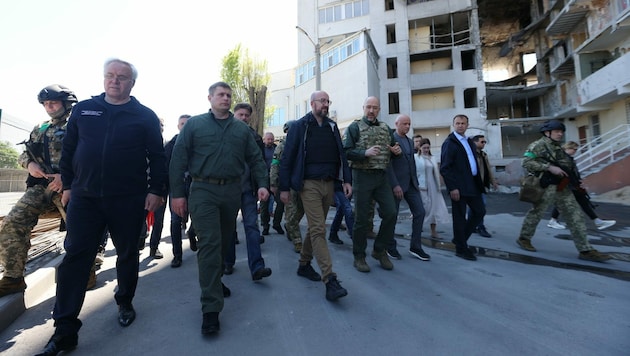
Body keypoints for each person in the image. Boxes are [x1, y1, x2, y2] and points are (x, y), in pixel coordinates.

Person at [36, 58, 168, 356]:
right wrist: (69, 186)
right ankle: (65, 328)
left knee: (126, 252)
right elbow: (69, 149)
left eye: (122, 77)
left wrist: (156, 191)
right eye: (110, 75)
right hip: (85, 198)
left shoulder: (144, 116)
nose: (115, 81)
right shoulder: (84, 110)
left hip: (128, 198)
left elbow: (157, 158)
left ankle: (124, 300)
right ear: (104, 78)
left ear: (132, 83)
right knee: (76, 258)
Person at [170, 82, 269, 335]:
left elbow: (256, 158)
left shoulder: (241, 130)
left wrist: (263, 184)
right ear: (210, 98)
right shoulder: (195, 125)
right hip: (203, 190)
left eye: (228, 95)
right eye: (220, 95)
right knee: (211, 244)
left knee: (224, 242)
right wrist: (177, 195)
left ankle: (214, 282)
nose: (225, 98)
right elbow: (178, 158)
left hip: (231, 192)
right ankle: (211, 309)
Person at [0, 84, 82, 299]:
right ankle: (13, 277)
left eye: (53, 102)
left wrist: (67, 178)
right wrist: (29, 165)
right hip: (43, 187)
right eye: (46, 103)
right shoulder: (41, 128)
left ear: (66, 104)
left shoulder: (80, 124)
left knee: (80, 231)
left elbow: (92, 156)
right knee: (13, 222)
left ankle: (85, 272)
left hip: (73, 187)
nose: (49, 107)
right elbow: (24, 153)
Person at [279, 91, 351, 302]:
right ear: (312, 104)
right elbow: (287, 158)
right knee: (319, 228)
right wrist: (284, 188)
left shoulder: (331, 126)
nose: (326, 104)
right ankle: (330, 279)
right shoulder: (300, 126)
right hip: (308, 184)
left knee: (314, 227)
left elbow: (341, 154)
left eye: (328, 101)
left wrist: (346, 180)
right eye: (322, 101)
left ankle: (303, 264)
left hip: (329, 183)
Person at [516, 120, 611, 262]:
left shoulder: (558, 148)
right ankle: (524, 238)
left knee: (575, 216)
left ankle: (585, 249)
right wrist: (548, 167)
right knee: (537, 213)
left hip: (563, 187)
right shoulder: (537, 146)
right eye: (557, 131)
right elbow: (526, 162)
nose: (560, 134)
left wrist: (576, 182)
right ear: (547, 133)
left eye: (561, 131)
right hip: (545, 186)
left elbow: (568, 167)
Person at [343, 96, 402, 272]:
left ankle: (379, 250)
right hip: (362, 176)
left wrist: (396, 150)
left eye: (375, 108)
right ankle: (359, 256)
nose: (371, 111)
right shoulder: (354, 127)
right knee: (361, 219)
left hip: (381, 176)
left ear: (379, 109)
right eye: (368, 107)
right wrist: (364, 153)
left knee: (391, 213)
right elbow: (346, 151)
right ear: (363, 108)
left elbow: (393, 146)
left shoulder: (385, 128)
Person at [223, 103, 272, 281]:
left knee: (252, 227)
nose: (244, 118)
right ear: (234, 114)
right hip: (229, 190)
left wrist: (262, 185)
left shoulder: (255, 138)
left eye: (246, 115)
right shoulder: (225, 133)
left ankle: (257, 267)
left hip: (248, 191)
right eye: (240, 114)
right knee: (228, 228)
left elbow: (259, 164)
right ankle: (228, 262)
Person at [440, 114, 485, 261]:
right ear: (454, 125)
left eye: (463, 123)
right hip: (458, 187)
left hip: (472, 184)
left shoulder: (469, 142)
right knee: (459, 218)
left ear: (467, 125)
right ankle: (461, 249)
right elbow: (445, 168)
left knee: (479, 211)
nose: (460, 125)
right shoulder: (450, 143)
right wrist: (452, 188)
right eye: (457, 123)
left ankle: (460, 238)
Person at [386, 114, 430, 261]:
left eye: (409, 124)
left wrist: (416, 183)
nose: (407, 126)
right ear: (396, 124)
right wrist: (395, 185)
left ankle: (416, 247)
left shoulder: (410, 142)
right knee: (392, 216)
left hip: (411, 184)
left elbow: (411, 163)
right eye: (404, 123)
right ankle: (389, 246)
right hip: (397, 185)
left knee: (420, 212)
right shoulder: (391, 140)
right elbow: (388, 165)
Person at [546, 141, 616, 231]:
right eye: (573, 149)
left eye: (576, 149)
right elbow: (567, 174)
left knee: (583, 202)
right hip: (566, 185)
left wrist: (579, 182)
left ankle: (598, 221)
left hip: (572, 185)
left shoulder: (569, 158)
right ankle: (552, 221)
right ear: (567, 148)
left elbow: (574, 173)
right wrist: (576, 183)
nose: (575, 151)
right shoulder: (562, 158)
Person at [270, 121, 304, 253]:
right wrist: (273, 183)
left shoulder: (303, 144)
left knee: (301, 209)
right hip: (287, 184)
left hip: (301, 183)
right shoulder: (282, 146)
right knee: (291, 212)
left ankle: (290, 226)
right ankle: (297, 241)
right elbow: (275, 165)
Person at [164, 114, 191, 268]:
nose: (185, 126)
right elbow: (164, 166)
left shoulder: (199, 142)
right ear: (178, 126)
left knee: (199, 218)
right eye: (182, 123)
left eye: (188, 123)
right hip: (176, 187)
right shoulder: (171, 144)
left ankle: (193, 237)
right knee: (175, 220)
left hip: (195, 186)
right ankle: (177, 255)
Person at [415, 138, 450, 239]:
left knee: (434, 208)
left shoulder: (432, 158)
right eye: (424, 147)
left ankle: (433, 231)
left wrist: (440, 182)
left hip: (433, 186)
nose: (426, 149)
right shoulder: (416, 158)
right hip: (421, 186)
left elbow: (436, 172)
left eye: (427, 147)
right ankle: (418, 227)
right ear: (420, 148)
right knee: (423, 208)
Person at [470, 135, 498, 238]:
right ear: (475, 142)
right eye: (482, 142)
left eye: (484, 142)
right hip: (473, 185)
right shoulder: (470, 155)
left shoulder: (483, 155)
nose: (484, 144)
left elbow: (488, 169)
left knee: (476, 206)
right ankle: (479, 226)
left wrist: (493, 181)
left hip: (481, 185)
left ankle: (472, 225)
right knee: (480, 206)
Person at [147, 117, 167, 259]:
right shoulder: (140, 141)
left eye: (161, 125)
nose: (159, 127)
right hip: (140, 186)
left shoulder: (167, 144)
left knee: (158, 220)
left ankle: (154, 247)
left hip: (160, 188)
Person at [260, 132, 284, 235]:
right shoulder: (260, 149)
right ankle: (265, 226)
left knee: (280, 203)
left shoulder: (278, 149)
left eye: (271, 139)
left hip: (277, 180)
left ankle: (277, 224)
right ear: (264, 139)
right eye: (268, 139)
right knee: (264, 205)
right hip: (264, 180)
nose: (270, 141)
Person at [328, 179, 354, 245]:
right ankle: (355, 238)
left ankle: (333, 234)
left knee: (341, 209)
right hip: (336, 184)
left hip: (348, 184)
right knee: (347, 209)